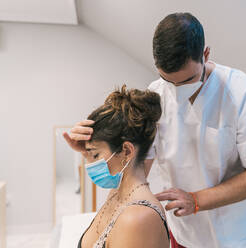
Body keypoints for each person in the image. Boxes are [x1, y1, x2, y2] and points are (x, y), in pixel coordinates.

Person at [67, 13, 246, 248]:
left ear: (205, 54)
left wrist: (196, 200)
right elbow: (136, 170)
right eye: (168, 80)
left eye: (187, 80)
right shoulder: (156, 93)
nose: (177, 90)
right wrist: (92, 152)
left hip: (238, 237)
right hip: (183, 234)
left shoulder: (244, 94)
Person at [64, 85, 170, 248]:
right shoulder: (118, 193)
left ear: (127, 151)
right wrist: (88, 151)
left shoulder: (138, 219)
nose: (90, 164)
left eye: (96, 155)